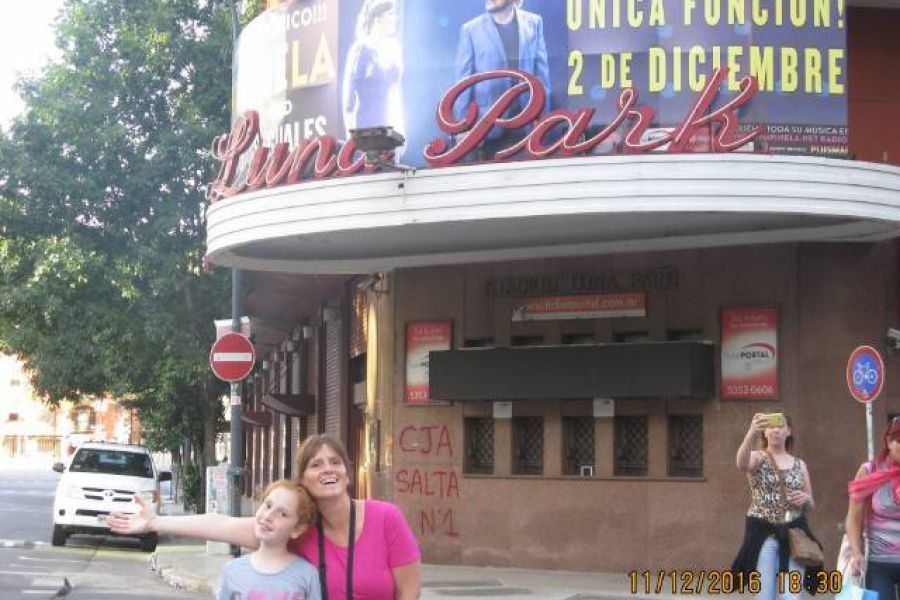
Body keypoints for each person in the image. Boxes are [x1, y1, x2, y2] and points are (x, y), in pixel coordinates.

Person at [108, 434, 421, 600]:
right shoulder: (297, 529)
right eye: (316, 464)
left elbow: (409, 592)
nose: (327, 469)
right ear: (303, 479)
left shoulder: (386, 518)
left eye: (335, 462)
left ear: (347, 472)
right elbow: (223, 525)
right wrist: (154, 522)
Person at [731, 412, 820, 600]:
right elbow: (741, 464)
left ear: (788, 431)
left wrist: (805, 498)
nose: (776, 430)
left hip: (795, 536)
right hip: (765, 536)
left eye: (781, 425)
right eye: (771, 426)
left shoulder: (799, 464)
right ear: (765, 431)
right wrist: (751, 432)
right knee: (765, 594)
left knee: (792, 596)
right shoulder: (757, 457)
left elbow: (811, 504)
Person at [453, 0, 551, 158]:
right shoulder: (471, 29)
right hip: (486, 130)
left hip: (526, 126)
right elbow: (463, 84)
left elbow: (542, 76)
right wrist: (463, 129)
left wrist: (542, 121)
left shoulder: (534, 22)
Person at [217, 479, 320, 600]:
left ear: (296, 529)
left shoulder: (307, 574)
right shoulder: (232, 570)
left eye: (283, 514)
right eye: (268, 505)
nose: (268, 516)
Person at [845, 417, 900, 600]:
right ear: (888, 442)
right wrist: (856, 551)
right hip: (878, 562)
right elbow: (853, 518)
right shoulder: (870, 471)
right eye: (899, 441)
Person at [342, 0, 404, 156]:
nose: (395, 18)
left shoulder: (393, 47)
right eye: (391, 14)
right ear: (377, 18)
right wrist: (352, 141)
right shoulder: (360, 50)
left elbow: (396, 93)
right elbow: (348, 101)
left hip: (391, 126)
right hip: (366, 129)